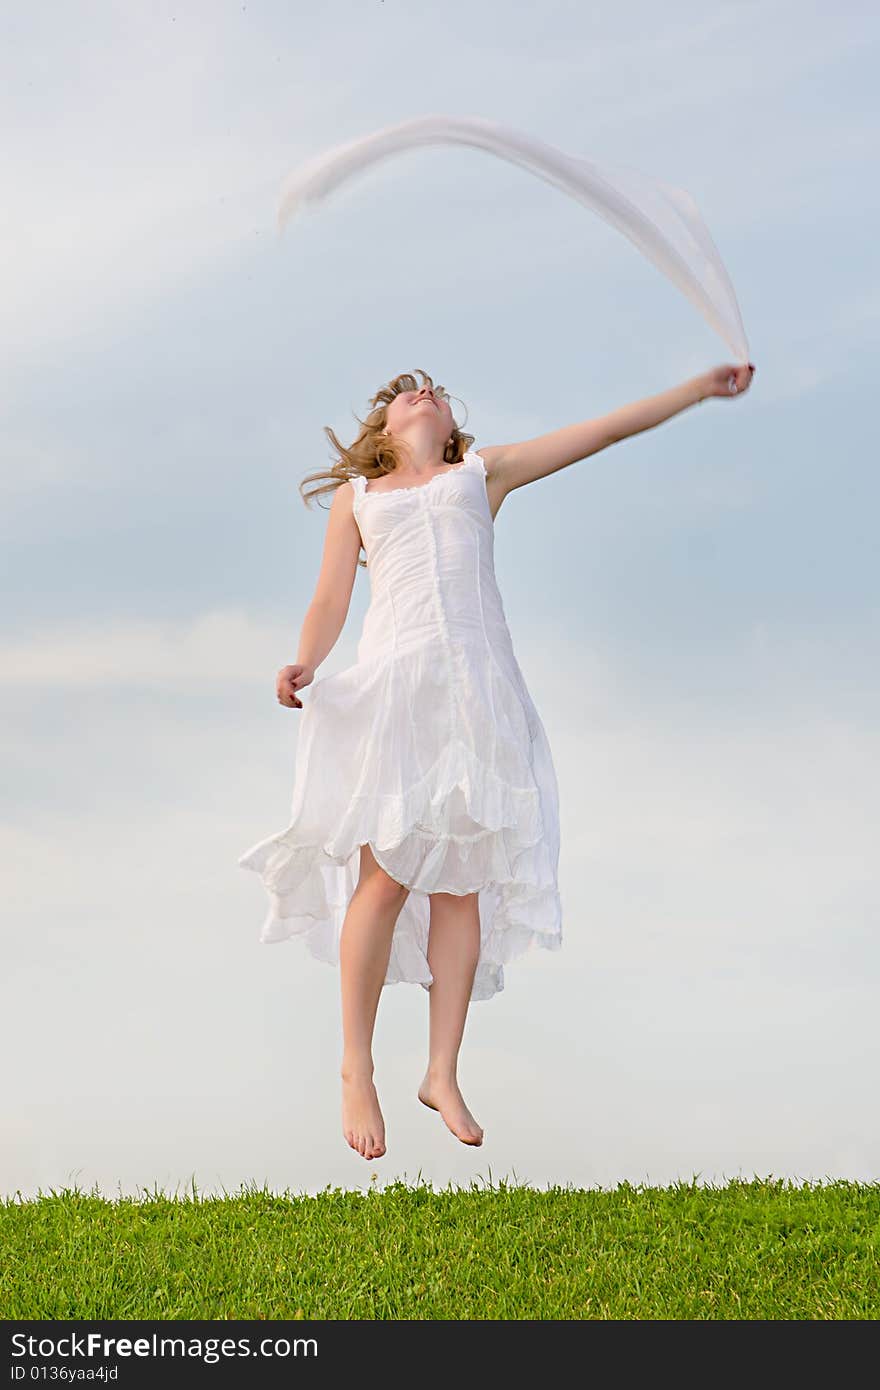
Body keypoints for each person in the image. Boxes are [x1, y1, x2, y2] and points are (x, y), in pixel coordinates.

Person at [238, 361, 756, 1162]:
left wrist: (696, 390)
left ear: (451, 428)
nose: (423, 394)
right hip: (396, 691)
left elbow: (605, 430)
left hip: (476, 693)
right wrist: (305, 660)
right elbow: (331, 598)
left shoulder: (484, 474)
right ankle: (356, 1065)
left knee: (461, 884)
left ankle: (441, 1070)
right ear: (382, 430)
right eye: (406, 392)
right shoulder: (360, 500)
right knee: (385, 877)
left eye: (435, 393)